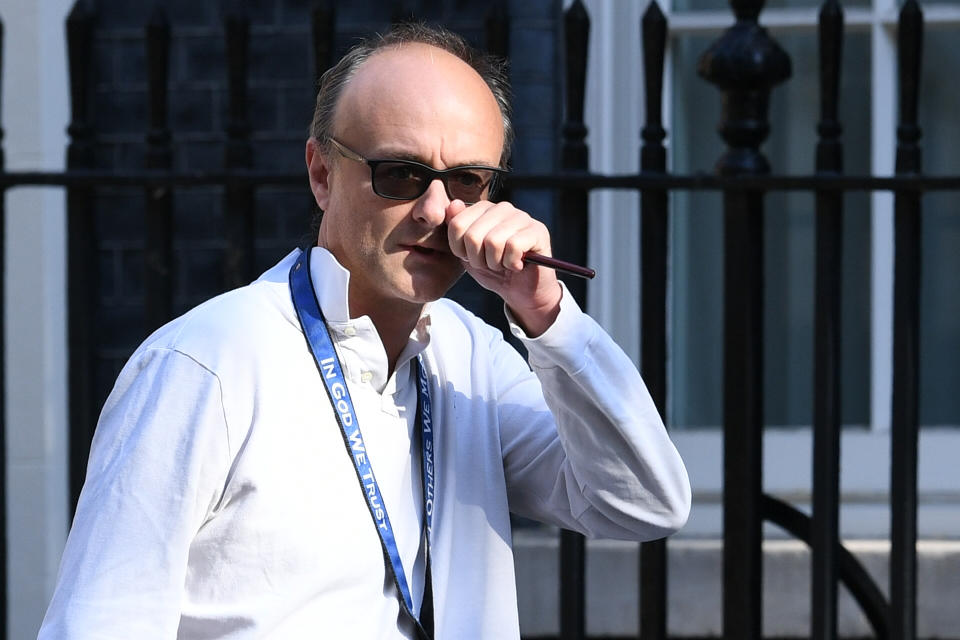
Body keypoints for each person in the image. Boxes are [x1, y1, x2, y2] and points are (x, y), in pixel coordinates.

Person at [39, 22, 690, 640]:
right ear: (322, 174)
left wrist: (549, 319)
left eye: (467, 180)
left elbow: (641, 504)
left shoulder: (472, 357)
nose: (438, 210)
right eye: (401, 174)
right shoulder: (207, 364)